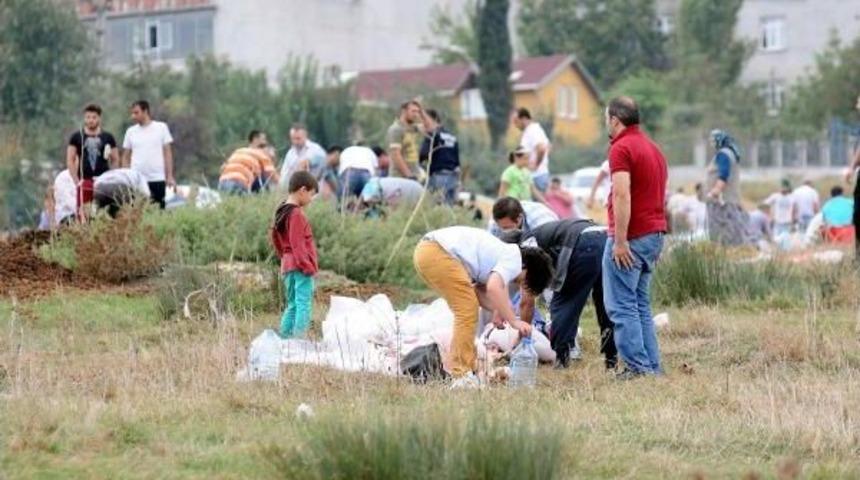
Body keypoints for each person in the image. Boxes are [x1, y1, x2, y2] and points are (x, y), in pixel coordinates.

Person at [413, 226, 554, 388]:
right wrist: (514, 322)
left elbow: (480, 292)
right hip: (436, 252)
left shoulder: (500, 256)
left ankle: (467, 368)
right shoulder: (514, 258)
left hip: (428, 252)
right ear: (528, 269)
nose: (519, 284)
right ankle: (461, 374)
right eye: (524, 282)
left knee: (468, 306)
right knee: (466, 310)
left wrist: (501, 311)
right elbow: (494, 287)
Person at [602, 96, 668, 380]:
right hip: (654, 233)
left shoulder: (621, 148)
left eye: (606, 118)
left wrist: (619, 240)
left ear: (615, 120)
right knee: (640, 303)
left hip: (632, 236)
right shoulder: (653, 149)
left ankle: (637, 368)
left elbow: (621, 194)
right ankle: (651, 368)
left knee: (621, 305)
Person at [500, 219, 617, 370]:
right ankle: (611, 359)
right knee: (605, 302)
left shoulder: (527, 247)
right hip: (604, 237)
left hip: (583, 242)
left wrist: (522, 335)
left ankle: (561, 359)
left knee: (563, 302)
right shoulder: (539, 238)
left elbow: (527, 302)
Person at [271, 171, 319, 339]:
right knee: (303, 305)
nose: (311, 200)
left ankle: (284, 340)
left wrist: (283, 257)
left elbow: (275, 237)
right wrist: (308, 267)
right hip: (300, 266)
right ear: (303, 190)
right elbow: (298, 243)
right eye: (311, 195)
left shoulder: (281, 210)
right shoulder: (296, 214)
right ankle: (299, 342)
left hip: (287, 265)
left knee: (291, 305)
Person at [67, 104, 119, 219]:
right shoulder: (77, 137)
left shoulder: (108, 137)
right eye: (88, 117)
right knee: (84, 214)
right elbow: (70, 159)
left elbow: (115, 159)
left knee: (103, 213)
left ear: (99, 118)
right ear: (84, 118)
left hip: (103, 181)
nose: (91, 120)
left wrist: (112, 178)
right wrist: (76, 181)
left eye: (94, 117)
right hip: (85, 181)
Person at [121, 100, 175, 209]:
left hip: (157, 178)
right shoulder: (130, 132)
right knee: (137, 211)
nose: (133, 116)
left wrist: (169, 176)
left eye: (136, 113)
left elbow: (167, 153)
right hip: (137, 180)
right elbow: (125, 157)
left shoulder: (161, 128)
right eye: (132, 113)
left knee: (158, 211)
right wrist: (127, 177)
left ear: (145, 111)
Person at [705, 129, 749, 246]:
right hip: (730, 199)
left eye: (714, 140)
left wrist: (715, 192)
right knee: (732, 229)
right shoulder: (730, 153)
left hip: (721, 201)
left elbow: (723, 175)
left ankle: (723, 253)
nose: (712, 143)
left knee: (720, 232)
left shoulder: (723, 154)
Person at [419, 109, 460, 204]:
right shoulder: (451, 136)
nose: (422, 125)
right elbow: (457, 162)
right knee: (449, 208)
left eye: (424, 121)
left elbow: (423, 154)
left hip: (438, 177)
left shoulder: (433, 135)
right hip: (452, 177)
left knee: (435, 208)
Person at [512, 108, 551, 192]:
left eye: (516, 121)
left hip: (536, 176)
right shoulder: (530, 131)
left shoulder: (533, 131)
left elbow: (542, 148)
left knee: (535, 205)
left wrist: (536, 165)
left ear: (524, 119)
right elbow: (548, 146)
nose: (515, 125)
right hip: (534, 176)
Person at [386, 100, 424, 179]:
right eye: (413, 111)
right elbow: (395, 154)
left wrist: (422, 112)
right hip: (400, 177)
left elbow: (430, 128)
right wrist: (409, 175)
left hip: (415, 175)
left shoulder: (413, 128)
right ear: (404, 111)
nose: (416, 115)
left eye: (418, 112)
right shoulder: (396, 129)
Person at [489, 197, 559, 238]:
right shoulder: (494, 223)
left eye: (507, 227)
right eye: (502, 228)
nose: (505, 232)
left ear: (519, 218)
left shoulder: (541, 221)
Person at [360, 177, 424, 209]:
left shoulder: (391, 192)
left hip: (415, 192)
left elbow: (393, 210)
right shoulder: (371, 185)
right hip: (412, 186)